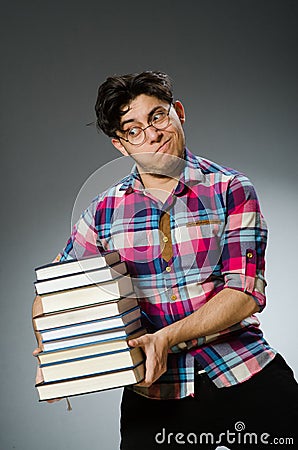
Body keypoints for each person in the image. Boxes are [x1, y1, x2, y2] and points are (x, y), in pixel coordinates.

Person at [33, 71, 298, 449]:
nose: (151, 134)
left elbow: (244, 292)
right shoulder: (104, 212)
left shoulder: (231, 189)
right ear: (121, 145)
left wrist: (165, 338)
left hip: (241, 368)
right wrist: (53, 351)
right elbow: (51, 295)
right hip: (153, 391)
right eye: (133, 129)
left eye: (157, 116)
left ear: (178, 113)